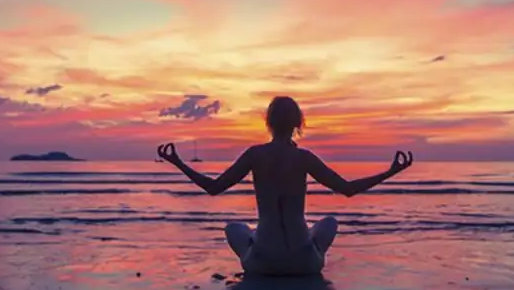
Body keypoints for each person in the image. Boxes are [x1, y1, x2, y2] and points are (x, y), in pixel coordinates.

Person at [156, 96, 414, 275]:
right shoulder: (304, 158)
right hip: (304, 264)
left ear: (268, 122)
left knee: (234, 228)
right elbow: (348, 189)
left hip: (262, 264)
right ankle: (306, 248)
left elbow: (213, 188)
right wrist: (391, 172)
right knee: (329, 222)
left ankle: (261, 249)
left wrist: (178, 162)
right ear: (298, 123)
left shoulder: (255, 154)